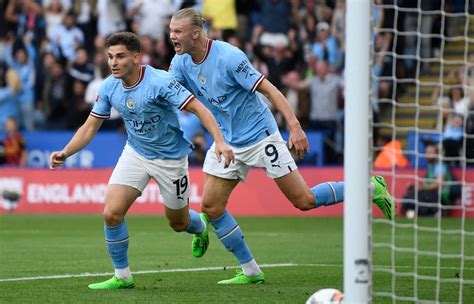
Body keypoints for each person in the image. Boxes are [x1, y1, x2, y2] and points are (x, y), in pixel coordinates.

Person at [168, 8, 395, 285]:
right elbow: (169, 94)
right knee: (212, 208)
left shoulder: (229, 57)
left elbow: (271, 90)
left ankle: (372, 187)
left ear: (195, 33)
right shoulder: (180, 63)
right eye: (170, 31)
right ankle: (251, 270)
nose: (172, 36)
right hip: (227, 141)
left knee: (304, 200)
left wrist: (294, 126)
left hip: (261, 136)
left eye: (177, 31)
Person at [49, 32, 234, 290]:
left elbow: (199, 109)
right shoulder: (109, 86)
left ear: (137, 57)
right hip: (135, 153)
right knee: (111, 213)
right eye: (110, 56)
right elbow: (90, 127)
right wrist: (66, 152)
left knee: (178, 223)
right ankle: (122, 276)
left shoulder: (161, 81)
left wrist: (220, 142)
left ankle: (199, 225)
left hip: (170, 159)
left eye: (120, 56)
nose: (113, 62)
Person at [401, 143, 459, 218]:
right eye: (427, 152)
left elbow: (438, 183)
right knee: (409, 195)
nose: (428, 154)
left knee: (420, 196)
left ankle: (438, 211)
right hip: (430, 194)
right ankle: (414, 212)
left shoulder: (439, 165)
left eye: (431, 152)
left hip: (440, 196)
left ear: (436, 153)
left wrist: (422, 188)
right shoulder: (430, 166)